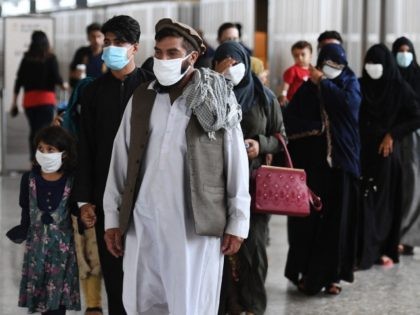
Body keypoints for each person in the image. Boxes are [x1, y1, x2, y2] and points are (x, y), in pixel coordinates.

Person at [102, 18, 250, 315]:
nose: (163, 60)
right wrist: (112, 219)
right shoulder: (142, 97)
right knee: (142, 301)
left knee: (189, 303)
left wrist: (238, 222)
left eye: (171, 53)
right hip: (143, 223)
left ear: (192, 57)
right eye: (158, 53)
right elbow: (120, 160)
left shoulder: (216, 98)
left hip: (193, 228)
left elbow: (235, 161)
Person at [73, 15, 154, 315]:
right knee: (115, 277)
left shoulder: (152, 89)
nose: (111, 48)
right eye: (107, 42)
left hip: (147, 199)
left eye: (119, 43)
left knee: (147, 277)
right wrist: (84, 201)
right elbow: (86, 149)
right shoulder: (93, 92)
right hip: (106, 199)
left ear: (135, 47)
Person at [283, 43, 361, 295]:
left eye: (337, 66)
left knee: (337, 225)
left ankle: (333, 277)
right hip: (313, 169)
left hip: (341, 168)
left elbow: (348, 105)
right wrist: (317, 127)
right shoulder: (306, 90)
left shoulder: (350, 84)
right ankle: (308, 274)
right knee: (309, 226)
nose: (332, 69)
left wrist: (324, 84)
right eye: (328, 65)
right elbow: (290, 122)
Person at [214, 41, 285, 314]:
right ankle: (221, 305)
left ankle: (252, 306)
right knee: (218, 250)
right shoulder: (209, 95)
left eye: (236, 62)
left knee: (253, 248)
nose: (232, 68)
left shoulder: (264, 97)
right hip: (216, 186)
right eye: (225, 63)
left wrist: (261, 144)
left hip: (254, 185)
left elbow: (281, 137)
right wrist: (217, 83)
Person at [358, 44, 420, 269]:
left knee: (382, 205)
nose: (373, 68)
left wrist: (392, 135)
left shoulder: (399, 88)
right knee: (362, 202)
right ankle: (363, 249)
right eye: (370, 63)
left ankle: (381, 249)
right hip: (361, 152)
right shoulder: (361, 84)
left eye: (378, 63)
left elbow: (415, 116)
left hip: (385, 154)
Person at [6, 126, 80, 315]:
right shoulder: (28, 180)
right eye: (41, 149)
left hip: (62, 256)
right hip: (36, 253)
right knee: (40, 301)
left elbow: (76, 212)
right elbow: (26, 213)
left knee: (57, 306)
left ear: (63, 154)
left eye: (50, 150)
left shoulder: (71, 181)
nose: (44, 153)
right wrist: (22, 232)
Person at [10, 31, 68, 161]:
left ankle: (34, 159)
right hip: (46, 100)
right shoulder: (50, 58)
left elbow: (19, 80)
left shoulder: (26, 58)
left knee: (34, 130)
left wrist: (14, 102)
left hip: (29, 101)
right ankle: (43, 159)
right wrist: (64, 84)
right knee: (44, 131)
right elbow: (56, 77)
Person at [392, 37, 420, 256]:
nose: (404, 55)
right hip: (391, 137)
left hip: (413, 137)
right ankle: (393, 235)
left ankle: (407, 237)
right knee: (395, 185)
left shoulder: (417, 77)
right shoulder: (390, 79)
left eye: (407, 50)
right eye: (399, 51)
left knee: (413, 185)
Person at [69, 23, 106, 88]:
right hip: (83, 90)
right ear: (88, 37)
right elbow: (71, 73)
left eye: (99, 36)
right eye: (93, 36)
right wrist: (76, 74)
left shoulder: (107, 54)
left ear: (104, 37)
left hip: (102, 91)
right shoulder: (81, 52)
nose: (96, 40)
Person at [279, 40, 313, 106]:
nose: (300, 58)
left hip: (308, 101)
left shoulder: (313, 70)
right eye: (296, 56)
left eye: (303, 54)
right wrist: (283, 94)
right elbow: (286, 85)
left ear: (310, 55)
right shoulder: (292, 70)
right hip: (294, 102)